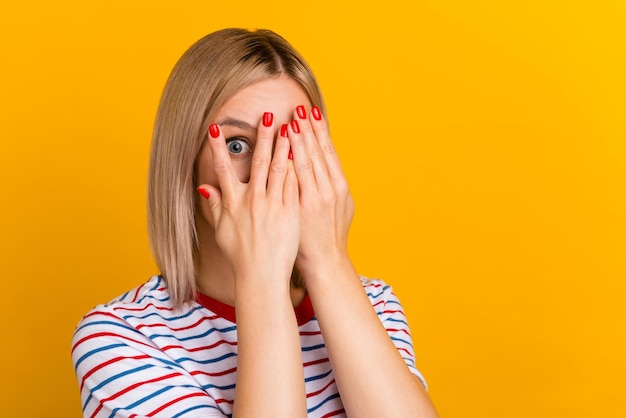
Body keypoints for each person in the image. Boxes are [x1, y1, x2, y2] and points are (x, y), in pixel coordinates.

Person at [71, 28, 439, 418]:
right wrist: (262, 276)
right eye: (237, 144)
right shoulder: (122, 340)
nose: (272, 168)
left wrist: (328, 261)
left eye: (293, 141)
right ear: (185, 163)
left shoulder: (373, 304)